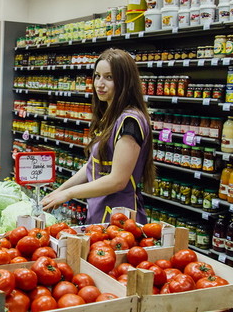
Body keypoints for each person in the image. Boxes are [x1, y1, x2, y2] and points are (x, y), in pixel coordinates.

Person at [41, 48, 155, 224]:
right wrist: (59, 191)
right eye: (97, 76)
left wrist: (70, 193)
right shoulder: (110, 116)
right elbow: (92, 167)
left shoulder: (130, 121)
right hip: (100, 212)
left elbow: (118, 180)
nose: (99, 84)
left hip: (120, 218)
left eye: (109, 77)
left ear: (125, 81)